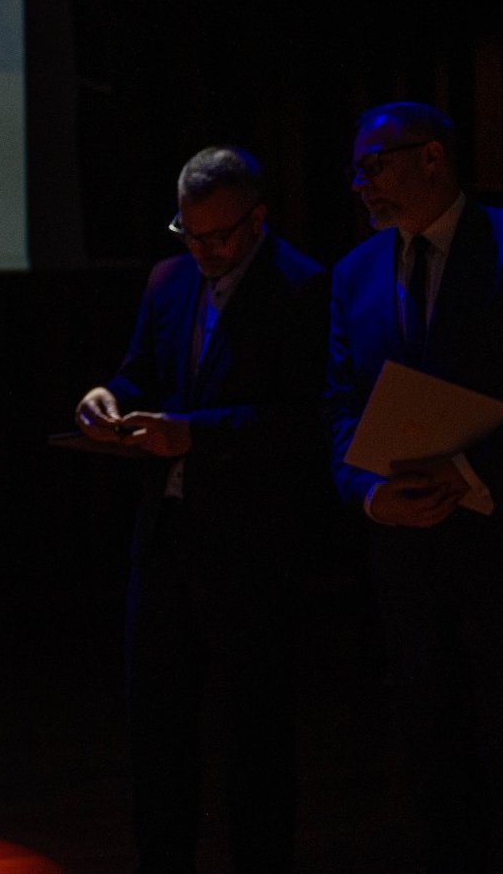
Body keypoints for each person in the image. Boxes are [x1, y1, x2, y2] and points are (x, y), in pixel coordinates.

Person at [75, 146, 327, 874]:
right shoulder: (168, 277)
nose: (203, 249)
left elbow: (309, 421)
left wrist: (198, 433)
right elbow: (138, 371)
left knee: (255, 741)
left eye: (218, 236)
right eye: (189, 232)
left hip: (255, 550)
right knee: (155, 735)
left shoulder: (303, 287)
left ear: (259, 219)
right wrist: (110, 397)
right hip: (165, 541)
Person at [325, 101, 503, 872]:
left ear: (432, 160)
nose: (361, 186)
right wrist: (364, 490)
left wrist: (469, 469)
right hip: (404, 560)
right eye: (356, 170)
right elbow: (339, 407)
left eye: (373, 165)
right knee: (431, 762)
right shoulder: (354, 271)